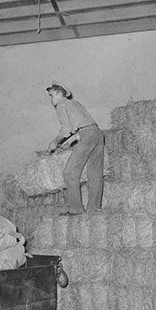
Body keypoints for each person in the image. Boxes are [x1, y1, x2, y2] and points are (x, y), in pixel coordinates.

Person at [46, 83, 104, 215]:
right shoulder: (74, 103)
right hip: (97, 133)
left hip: (87, 134)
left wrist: (55, 141)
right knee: (95, 174)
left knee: (70, 173)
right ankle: (94, 209)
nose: (50, 99)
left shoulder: (61, 105)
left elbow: (66, 128)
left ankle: (76, 209)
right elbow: (84, 124)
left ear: (60, 94)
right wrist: (70, 141)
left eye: (51, 95)